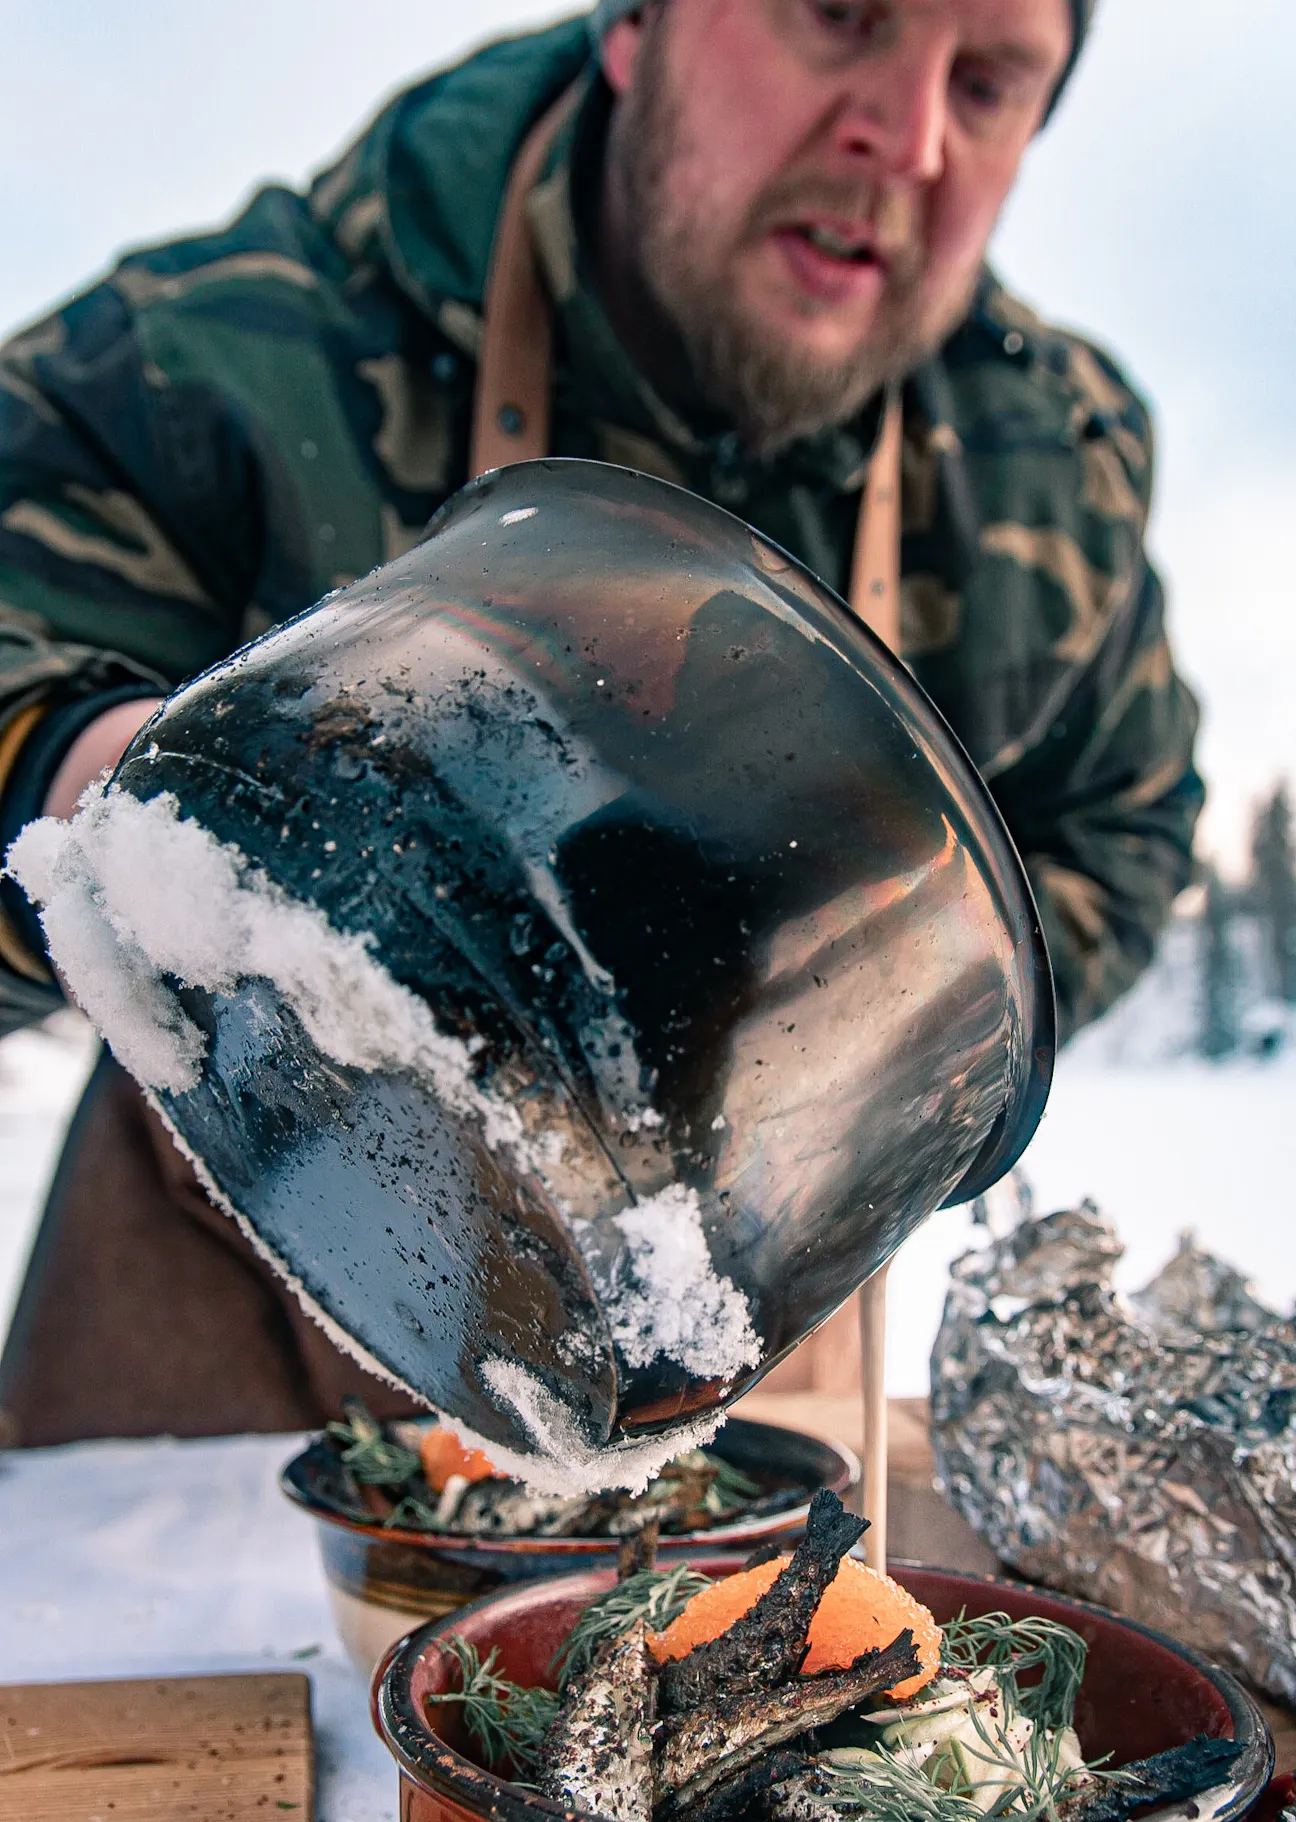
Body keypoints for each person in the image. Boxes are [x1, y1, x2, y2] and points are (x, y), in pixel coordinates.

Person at [0, 0, 1202, 1444]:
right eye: (839, 16)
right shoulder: (239, 352)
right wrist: (118, 812)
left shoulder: (1042, 469)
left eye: (992, 80)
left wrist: (884, 1022)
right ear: (639, 26)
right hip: (235, 1324)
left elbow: (1120, 827)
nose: (910, 135)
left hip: (695, 1342)